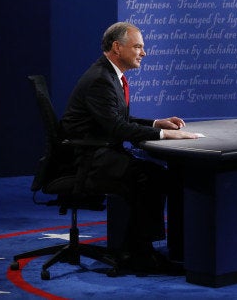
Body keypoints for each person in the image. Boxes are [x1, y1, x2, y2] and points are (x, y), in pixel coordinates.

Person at [60, 21, 199, 273]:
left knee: (153, 175)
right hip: (88, 159)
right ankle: (141, 254)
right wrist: (163, 134)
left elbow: (118, 120)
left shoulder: (110, 74)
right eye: (137, 47)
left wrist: (157, 122)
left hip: (100, 151)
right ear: (117, 47)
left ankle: (135, 247)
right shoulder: (100, 80)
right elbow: (117, 129)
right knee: (151, 178)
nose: (143, 53)